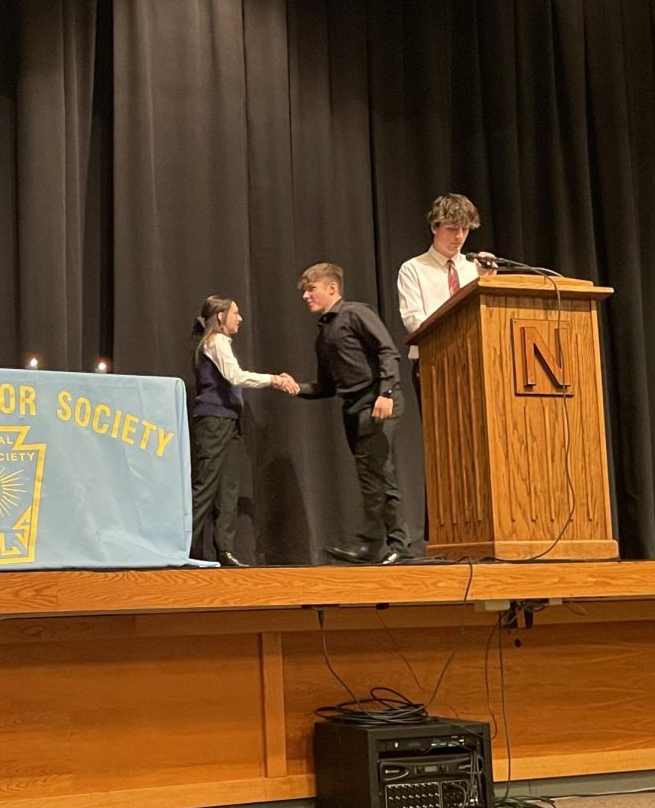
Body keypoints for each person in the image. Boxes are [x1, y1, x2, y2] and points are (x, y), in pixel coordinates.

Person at [294, 263, 407, 565]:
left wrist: (386, 392)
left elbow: (387, 350)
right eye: (304, 291)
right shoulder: (324, 334)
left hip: (377, 400)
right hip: (352, 406)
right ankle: (396, 544)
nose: (306, 295)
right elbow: (327, 387)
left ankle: (376, 545)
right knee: (376, 474)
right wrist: (295, 388)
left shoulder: (355, 313)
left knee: (375, 475)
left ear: (332, 288)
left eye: (311, 289)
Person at [191, 296, 299, 567]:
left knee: (228, 487)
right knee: (206, 486)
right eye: (235, 313)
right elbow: (235, 376)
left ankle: (223, 549)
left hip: (228, 421)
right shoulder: (214, 342)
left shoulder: (222, 343)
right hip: (214, 421)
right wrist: (274, 380)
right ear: (219, 317)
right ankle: (186, 546)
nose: (240, 318)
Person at [397, 193, 496, 411]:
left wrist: (487, 283)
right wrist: (453, 334)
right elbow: (414, 320)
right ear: (435, 227)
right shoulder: (413, 269)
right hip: (434, 362)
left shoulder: (475, 267)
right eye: (452, 228)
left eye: (466, 229)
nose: (459, 237)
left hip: (476, 361)